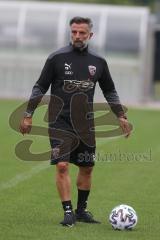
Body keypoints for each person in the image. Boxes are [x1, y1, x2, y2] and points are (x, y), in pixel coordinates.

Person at [19, 16, 131, 227]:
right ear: (71, 33)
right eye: (74, 32)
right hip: (59, 122)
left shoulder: (99, 62)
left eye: (82, 33)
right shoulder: (56, 58)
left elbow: (109, 90)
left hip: (85, 125)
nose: (77, 36)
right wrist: (28, 114)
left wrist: (120, 115)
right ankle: (68, 211)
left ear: (91, 35)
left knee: (87, 167)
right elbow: (39, 87)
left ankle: (81, 211)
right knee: (62, 166)